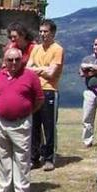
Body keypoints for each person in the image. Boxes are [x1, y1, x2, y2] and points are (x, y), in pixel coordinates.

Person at [0, 47, 44, 192]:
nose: (14, 63)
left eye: (17, 60)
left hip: (21, 121)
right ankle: (5, 187)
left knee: (22, 157)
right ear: (4, 61)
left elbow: (39, 99)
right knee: (3, 155)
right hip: (1, 121)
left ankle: (21, 189)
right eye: (10, 60)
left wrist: (26, 112)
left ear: (22, 60)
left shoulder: (30, 76)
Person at [27, 20, 64, 171]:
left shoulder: (57, 49)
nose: (42, 34)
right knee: (34, 126)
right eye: (41, 31)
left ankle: (49, 158)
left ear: (53, 33)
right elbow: (28, 68)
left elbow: (52, 73)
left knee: (48, 126)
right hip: (35, 90)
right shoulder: (35, 49)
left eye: (46, 32)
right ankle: (34, 157)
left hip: (50, 91)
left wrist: (38, 69)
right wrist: (42, 69)